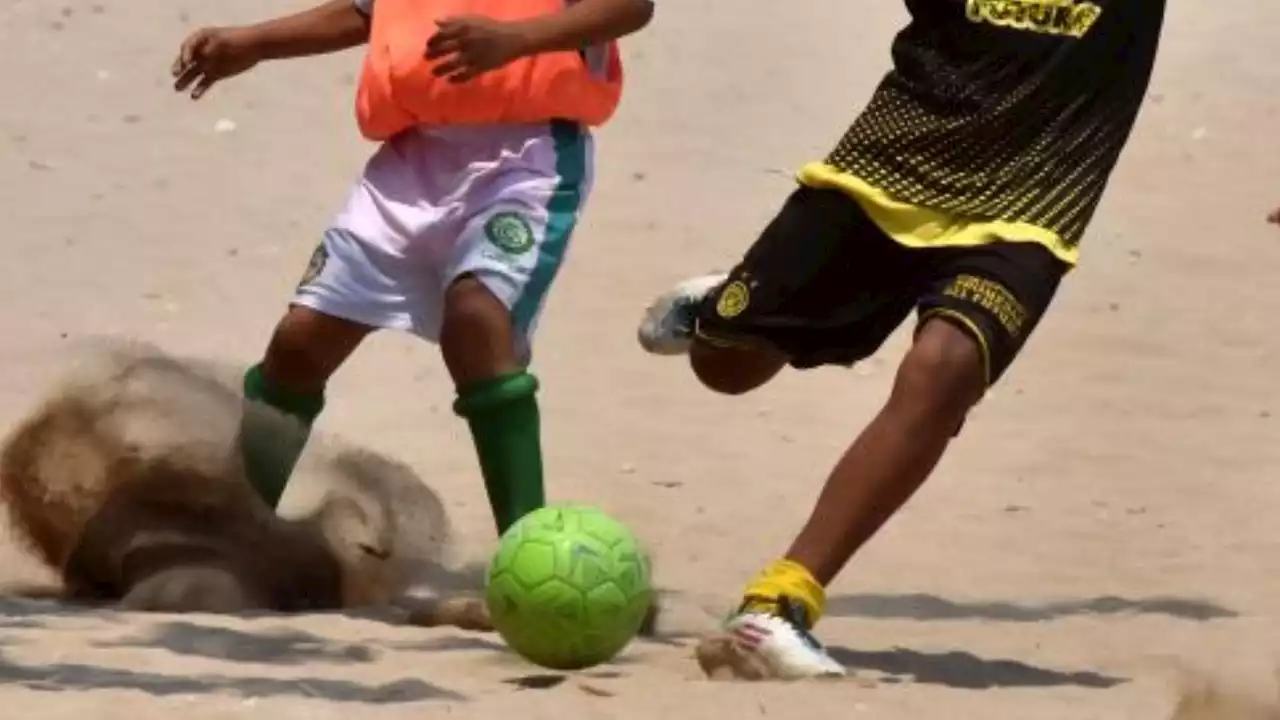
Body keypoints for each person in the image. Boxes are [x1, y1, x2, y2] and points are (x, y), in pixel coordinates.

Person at [638, 0, 1168, 679]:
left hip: (1032, 203)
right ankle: (720, 309)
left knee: (946, 369)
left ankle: (780, 602)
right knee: (728, 367)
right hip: (891, 164)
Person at [170, 0, 653, 535]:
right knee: (301, 342)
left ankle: (525, 541)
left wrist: (516, 41)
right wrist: (253, 42)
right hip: (412, 158)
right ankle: (239, 531)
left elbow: (629, 6)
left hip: (529, 156)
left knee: (476, 319)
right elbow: (367, 12)